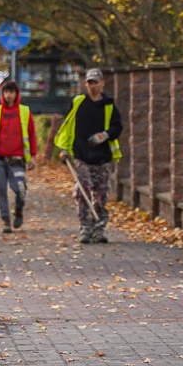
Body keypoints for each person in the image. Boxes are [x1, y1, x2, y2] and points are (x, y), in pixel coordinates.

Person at [54, 67, 124, 244]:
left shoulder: (109, 105)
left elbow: (117, 127)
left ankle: (99, 228)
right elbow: (68, 126)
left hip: (102, 158)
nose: (92, 86)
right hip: (81, 156)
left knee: (101, 195)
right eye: (89, 82)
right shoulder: (78, 103)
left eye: (95, 82)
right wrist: (64, 149)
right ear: (85, 84)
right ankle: (85, 228)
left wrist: (105, 135)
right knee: (83, 191)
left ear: (102, 83)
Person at [0, 81, 37, 233]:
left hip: (17, 161)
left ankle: (19, 211)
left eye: (12, 92)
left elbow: (31, 134)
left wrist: (32, 156)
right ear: (2, 93)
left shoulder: (25, 112)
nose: (9, 95)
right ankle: (6, 219)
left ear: (16, 94)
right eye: (6, 92)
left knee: (21, 189)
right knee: (1, 190)